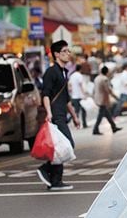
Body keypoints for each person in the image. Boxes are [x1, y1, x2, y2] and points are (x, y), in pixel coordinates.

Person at [38, 40, 82, 190]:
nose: (68, 54)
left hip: (62, 113)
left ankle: (55, 180)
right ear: (56, 54)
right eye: (65, 51)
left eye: (68, 51)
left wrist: (75, 117)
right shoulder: (51, 72)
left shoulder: (63, 72)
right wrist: (49, 113)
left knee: (61, 147)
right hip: (55, 114)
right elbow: (46, 94)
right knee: (67, 145)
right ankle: (47, 171)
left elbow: (66, 98)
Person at [91, 66, 121, 134]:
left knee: (107, 114)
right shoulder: (105, 79)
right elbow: (108, 90)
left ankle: (113, 127)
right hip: (102, 99)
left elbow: (94, 89)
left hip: (97, 98)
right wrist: (116, 97)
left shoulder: (97, 78)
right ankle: (95, 129)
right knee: (100, 115)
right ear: (107, 72)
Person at [68, 62, 89, 128]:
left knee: (76, 111)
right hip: (80, 96)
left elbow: (69, 85)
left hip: (74, 96)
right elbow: (81, 85)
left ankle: (76, 124)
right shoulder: (79, 76)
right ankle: (84, 124)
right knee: (83, 110)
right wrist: (84, 94)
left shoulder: (72, 75)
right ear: (80, 69)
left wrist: (71, 91)